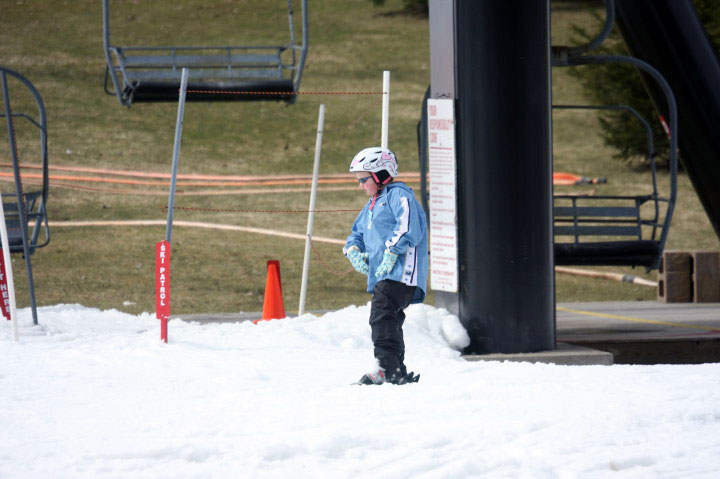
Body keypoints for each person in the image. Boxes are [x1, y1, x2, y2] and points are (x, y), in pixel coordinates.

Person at [343, 147, 428, 385]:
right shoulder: (373, 203)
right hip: (384, 274)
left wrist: (392, 251)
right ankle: (395, 368)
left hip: (402, 272)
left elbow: (408, 227)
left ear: (380, 174)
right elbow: (357, 232)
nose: (360, 185)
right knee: (388, 317)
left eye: (363, 179)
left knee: (381, 315)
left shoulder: (399, 195)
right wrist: (353, 249)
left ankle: (386, 368)